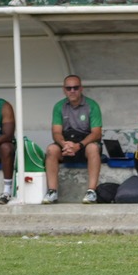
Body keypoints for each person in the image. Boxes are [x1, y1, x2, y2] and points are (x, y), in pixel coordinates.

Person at [43, 74, 104, 204]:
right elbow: (56, 132)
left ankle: (91, 192)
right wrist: (64, 144)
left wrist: (78, 146)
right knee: (51, 149)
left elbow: (96, 134)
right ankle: (52, 191)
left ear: (81, 88)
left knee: (93, 148)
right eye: (69, 88)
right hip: (66, 144)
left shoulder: (92, 105)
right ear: (64, 89)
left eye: (75, 88)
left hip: (84, 144)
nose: (72, 91)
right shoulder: (59, 106)